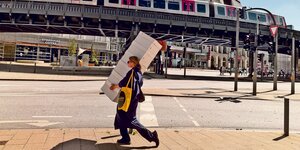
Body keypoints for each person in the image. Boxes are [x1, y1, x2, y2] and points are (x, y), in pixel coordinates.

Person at [110, 56, 159, 147]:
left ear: (133, 63)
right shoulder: (139, 73)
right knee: (120, 115)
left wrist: (115, 86)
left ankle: (152, 136)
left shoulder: (132, 72)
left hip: (128, 100)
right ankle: (125, 138)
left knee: (131, 120)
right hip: (131, 100)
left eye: (129, 61)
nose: (128, 63)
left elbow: (124, 83)